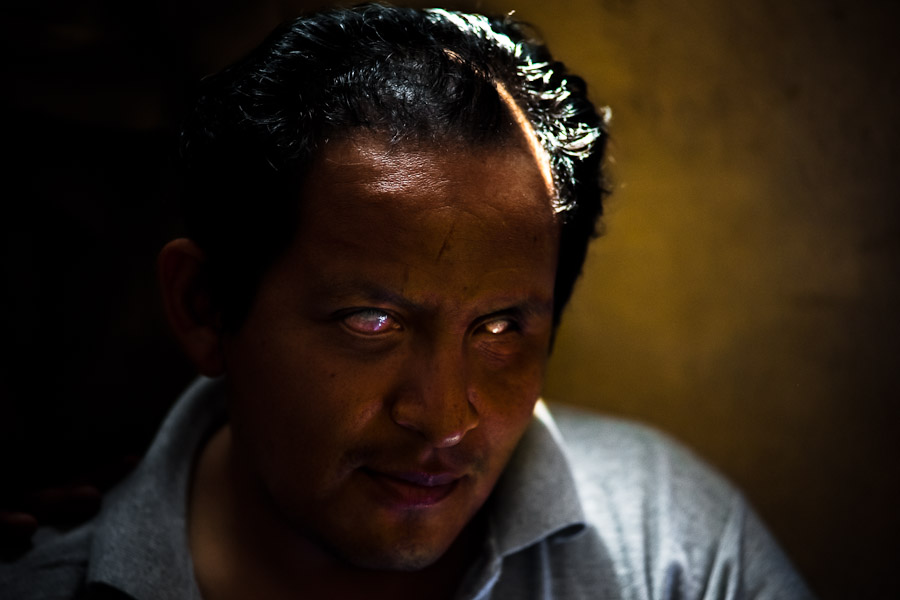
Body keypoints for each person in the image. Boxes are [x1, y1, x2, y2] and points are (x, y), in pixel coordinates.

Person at [0, 5, 814, 599]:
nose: (444, 418)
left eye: (500, 327)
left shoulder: (669, 545)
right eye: (372, 322)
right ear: (206, 306)